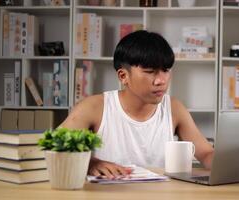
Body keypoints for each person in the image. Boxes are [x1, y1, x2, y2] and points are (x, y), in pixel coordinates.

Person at [60, 30, 214, 179]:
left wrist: (227, 164)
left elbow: (206, 153)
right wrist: (90, 163)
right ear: (123, 76)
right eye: (150, 71)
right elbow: (54, 148)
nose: (161, 81)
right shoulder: (93, 108)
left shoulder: (174, 108)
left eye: (165, 70)